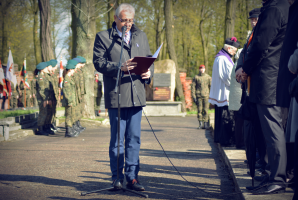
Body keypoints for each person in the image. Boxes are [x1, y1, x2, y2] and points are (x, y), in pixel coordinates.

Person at [93, 3, 153, 191]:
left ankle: (132, 177)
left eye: (130, 20)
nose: (128, 24)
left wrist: (149, 73)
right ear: (115, 18)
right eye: (124, 20)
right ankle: (116, 177)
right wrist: (119, 67)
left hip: (136, 94)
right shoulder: (103, 37)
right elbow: (99, 63)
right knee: (118, 140)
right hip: (117, 96)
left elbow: (149, 59)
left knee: (134, 139)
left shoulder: (140, 36)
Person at [236, 0, 290, 194]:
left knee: (273, 132)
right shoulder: (286, 7)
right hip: (278, 79)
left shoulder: (275, 9)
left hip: (269, 80)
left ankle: (277, 178)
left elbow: (260, 45)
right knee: (275, 131)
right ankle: (273, 175)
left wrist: (246, 68)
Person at [209, 37, 240, 147]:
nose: (234, 52)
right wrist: (235, 85)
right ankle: (225, 140)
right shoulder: (223, 59)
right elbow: (227, 77)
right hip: (225, 93)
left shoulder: (221, 57)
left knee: (221, 116)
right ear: (228, 48)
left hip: (222, 92)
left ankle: (220, 138)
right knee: (226, 117)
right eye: (234, 50)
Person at [62, 59, 80, 137]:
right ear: (70, 70)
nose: (73, 71)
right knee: (69, 116)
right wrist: (70, 101)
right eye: (73, 69)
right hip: (69, 101)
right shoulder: (66, 79)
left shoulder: (70, 78)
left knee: (71, 115)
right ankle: (68, 131)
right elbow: (66, 92)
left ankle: (71, 129)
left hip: (72, 100)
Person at [191, 64, 211, 129]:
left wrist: (211, 96)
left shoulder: (208, 77)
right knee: (199, 110)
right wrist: (193, 96)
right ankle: (200, 123)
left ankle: (205, 124)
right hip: (199, 96)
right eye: (201, 68)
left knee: (206, 110)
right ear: (199, 69)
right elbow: (193, 87)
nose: (202, 70)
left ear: (205, 69)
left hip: (206, 96)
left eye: (203, 68)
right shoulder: (196, 77)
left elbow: (211, 87)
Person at [35, 62, 51, 136]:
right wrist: (45, 99)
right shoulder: (40, 77)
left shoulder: (44, 76)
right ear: (42, 69)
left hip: (45, 98)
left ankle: (44, 128)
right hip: (42, 99)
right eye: (45, 68)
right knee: (42, 113)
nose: (46, 69)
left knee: (45, 113)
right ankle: (40, 129)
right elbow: (41, 90)